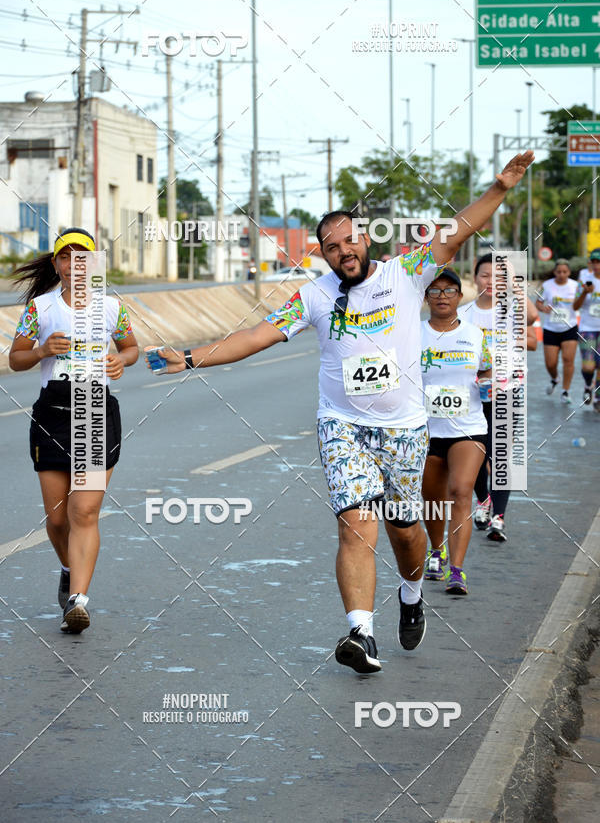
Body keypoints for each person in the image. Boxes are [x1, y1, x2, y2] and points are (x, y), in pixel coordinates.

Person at [148, 152, 533, 674]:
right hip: (342, 425)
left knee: (403, 529)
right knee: (356, 525)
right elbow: (257, 336)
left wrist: (500, 187)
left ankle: (413, 590)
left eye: (350, 241)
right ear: (324, 255)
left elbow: (458, 230)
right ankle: (361, 633)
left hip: (404, 429)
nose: (343, 252)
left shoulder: (408, 272)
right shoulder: (314, 295)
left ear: (364, 239)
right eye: (332, 247)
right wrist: (193, 357)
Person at [8, 228, 139, 634]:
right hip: (53, 414)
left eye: (83, 258)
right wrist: (43, 350)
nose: (74, 265)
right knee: (57, 518)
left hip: (95, 410)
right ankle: (68, 567)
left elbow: (131, 347)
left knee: (84, 510)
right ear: (57, 264)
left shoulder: (112, 308)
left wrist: (122, 361)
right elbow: (14, 359)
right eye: (66, 258)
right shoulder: (40, 309)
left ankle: (78, 601)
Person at [420, 270, 491, 594]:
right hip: (425, 429)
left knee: (462, 490)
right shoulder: (412, 334)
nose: (442, 296)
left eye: (449, 290)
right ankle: (437, 549)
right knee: (432, 499)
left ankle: (457, 570)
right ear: (426, 298)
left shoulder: (476, 335)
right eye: (435, 291)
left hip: (469, 427)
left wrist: (493, 387)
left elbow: (488, 374)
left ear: (460, 296)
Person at [459, 256, 538, 542]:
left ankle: (498, 518)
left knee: (501, 454)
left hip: (507, 389)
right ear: (475, 278)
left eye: (497, 277)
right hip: (472, 393)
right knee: (476, 452)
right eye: (484, 275)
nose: (490, 282)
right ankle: (483, 500)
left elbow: (531, 318)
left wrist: (517, 286)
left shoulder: (510, 310)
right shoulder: (464, 313)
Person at [536, 259, 578, 405]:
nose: (561, 274)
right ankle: (555, 378)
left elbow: (581, 302)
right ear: (554, 272)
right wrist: (543, 308)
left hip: (569, 327)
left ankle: (565, 391)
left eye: (564, 272)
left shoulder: (575, 285)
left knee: (568, 360)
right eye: (558, 272)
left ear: (569, 272)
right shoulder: (546, 285)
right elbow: (538, 302)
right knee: (551, 363)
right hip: (551, 329)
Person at [573, 248, 600, 410]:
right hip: (587, 327)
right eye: (594, 262)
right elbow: (575, 306)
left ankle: (598, 397)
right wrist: (584, 293)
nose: (596, 265)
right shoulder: (584, 278)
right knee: (589, 366)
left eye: (599, 262)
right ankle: (588, 384)